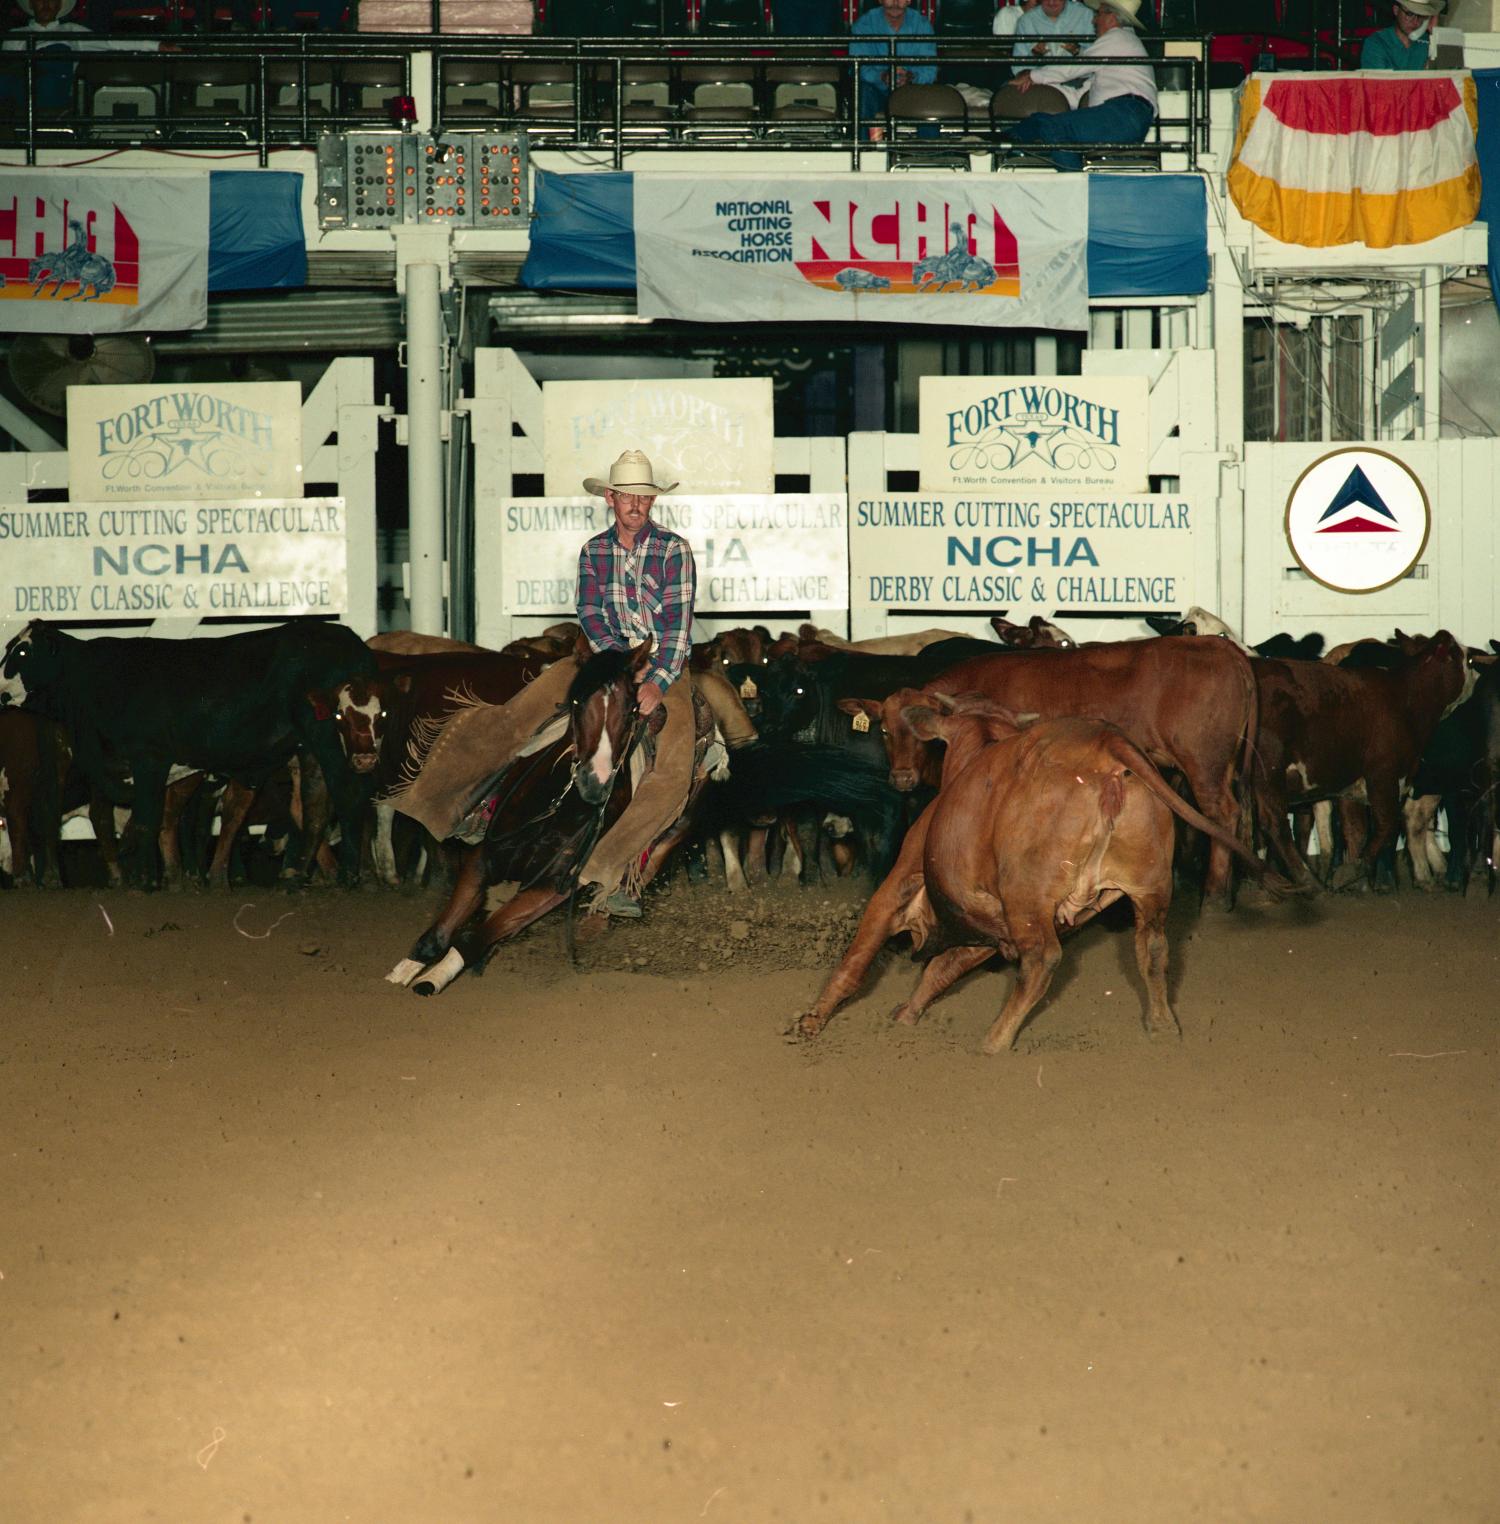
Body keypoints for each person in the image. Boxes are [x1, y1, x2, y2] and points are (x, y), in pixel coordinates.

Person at [576, 449, 699, 917]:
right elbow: (589, 614)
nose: (635, 504)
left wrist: (658, 680)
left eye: (643, 497)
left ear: (652, 503)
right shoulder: (594, 551)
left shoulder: (673, 549)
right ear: (610, 498)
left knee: (672, 771)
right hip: (612, 659)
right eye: (626, 496)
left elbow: (677, 624)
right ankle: (482, 807)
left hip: (667, 661)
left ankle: (601, 868)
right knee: (536, 705)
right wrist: (622, 667)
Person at [1001, 0, 1157, 170]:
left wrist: (1031, 75)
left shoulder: (1117, 37)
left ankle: (1072, 184)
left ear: (1111, 17)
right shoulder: (1123, 42)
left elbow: (1074, 67)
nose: (1094, 20)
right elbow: (1083, 89)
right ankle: (1007, 138)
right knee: (1043, 121)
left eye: (1098, 14)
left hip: (1123, 113)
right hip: (1127, 115)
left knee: (1055, 127)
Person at [850, 0, 937, 136]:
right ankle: (862, 151)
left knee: (929, 101)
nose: (895, 3)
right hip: (876, 91)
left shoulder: (922, 24)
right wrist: (882, 76)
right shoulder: (864, 24)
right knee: (862, 93)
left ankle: (928, 155)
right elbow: (859, 68)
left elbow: (930, 71)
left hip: (912, 90)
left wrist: (910, 77)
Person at [2, 0, 91, 113]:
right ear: (31, 4)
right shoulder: (15, 35)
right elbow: (10, 73)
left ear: (59, 5)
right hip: (26, 96)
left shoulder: (72, 30)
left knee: (59, 51)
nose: (46, 4)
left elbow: (113, 43)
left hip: (56, 96)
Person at [1359, 0, 1440, 69]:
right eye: (1409, 14)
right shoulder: (1377, 43)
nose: (1415, 21)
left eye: (1421, 16)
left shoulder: (1428, 42)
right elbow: (1377, 85)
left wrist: (1434, 35)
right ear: (1396, 10)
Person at [1009, 0, 1094, 61]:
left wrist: (1078, 51)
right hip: (1041, 80)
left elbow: (1098, 54)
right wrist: (1035, 56)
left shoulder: (1085, 15)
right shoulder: (1026, 20)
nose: (1051, 2)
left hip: (1079, 79)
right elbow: (1019, 64)